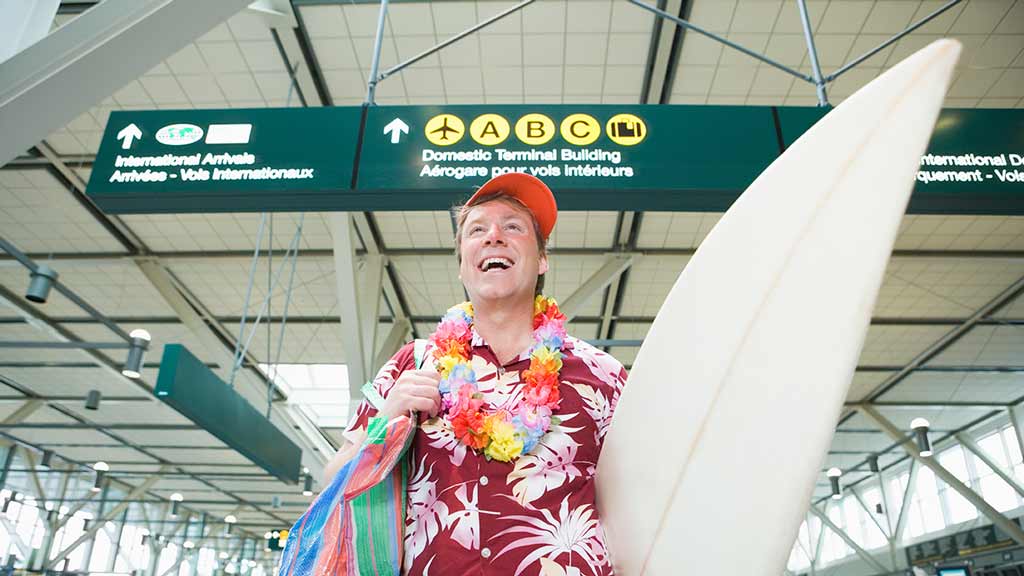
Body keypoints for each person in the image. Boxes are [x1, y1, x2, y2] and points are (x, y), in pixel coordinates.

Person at [324, 172, 627, 576]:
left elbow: (637, 504)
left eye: (514, 227)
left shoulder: (603, 376)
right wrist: (384, 423)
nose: (494, 236)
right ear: (462, 267)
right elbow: (331, 483)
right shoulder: (411, 364)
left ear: (541, 260)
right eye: (477, 229)